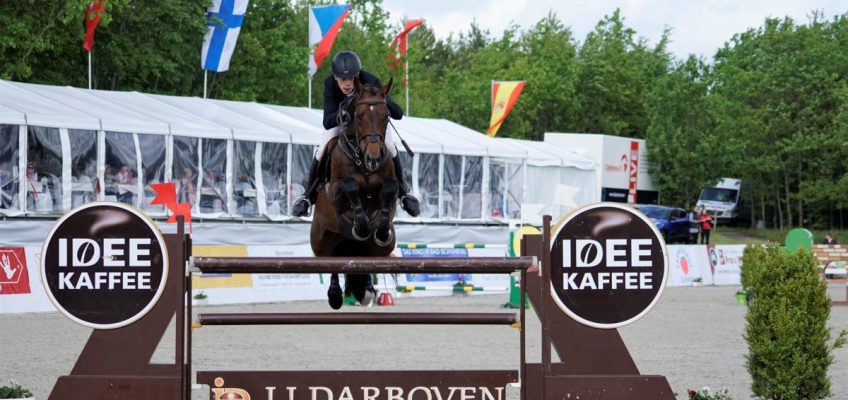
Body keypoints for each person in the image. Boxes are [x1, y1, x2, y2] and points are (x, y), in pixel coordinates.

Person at [292, 50, 420, 217]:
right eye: (343, 79)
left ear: (358, 75)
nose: (347, 84)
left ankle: (404, 192)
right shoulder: (330, 85)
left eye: (352, 78)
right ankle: (307, 196)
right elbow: (327, 121)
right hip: (342, 123)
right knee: (323, 147)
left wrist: (383, 98)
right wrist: (343, 115)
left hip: (370, 126)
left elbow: (398, 114)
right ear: (335, 77)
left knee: (390, 146)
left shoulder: (371, 81)